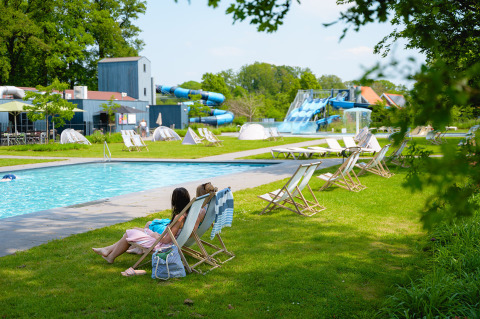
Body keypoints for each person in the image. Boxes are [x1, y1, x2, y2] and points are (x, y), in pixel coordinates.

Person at [92, 187, 191, 265]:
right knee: (135, 230)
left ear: (175, 200)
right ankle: (108, 250)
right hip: (168, 242)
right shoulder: (188, 214)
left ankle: (110, 256)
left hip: (163, 245)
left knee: (129, 233)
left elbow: (166, 240)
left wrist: (155, 235)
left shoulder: (179, 217)